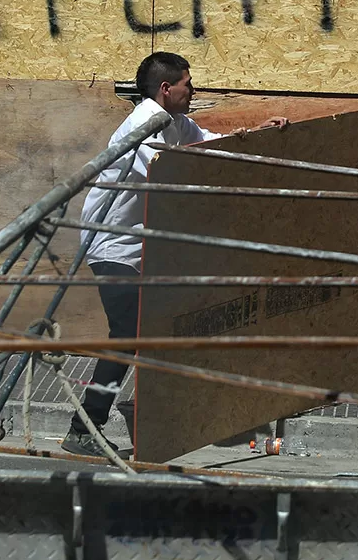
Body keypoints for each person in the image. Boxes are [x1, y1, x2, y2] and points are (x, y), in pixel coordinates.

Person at [63, 51, 287, 456]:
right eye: (188, 83)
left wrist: (260, 134)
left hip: (144, 250)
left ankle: (157, 417)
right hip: (111, 246)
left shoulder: (175, 123)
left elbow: (210, 146)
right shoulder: (142, 127)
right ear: (166, 89)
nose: (193, 90)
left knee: (165, 327)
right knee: (128, 333)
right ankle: (83, 429)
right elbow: (178, 170)